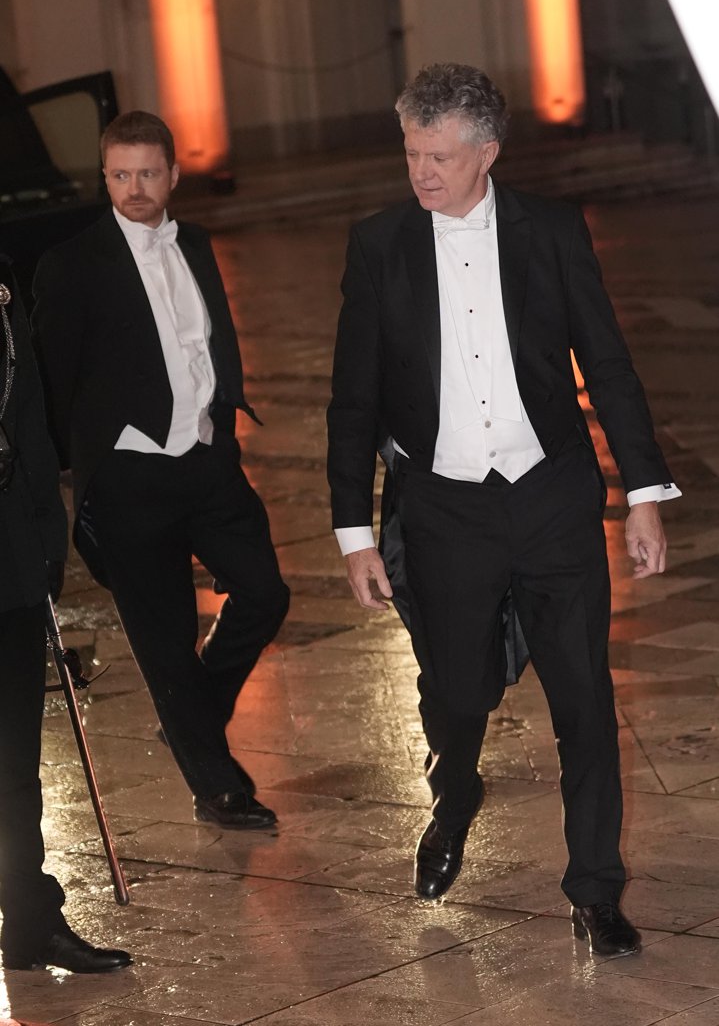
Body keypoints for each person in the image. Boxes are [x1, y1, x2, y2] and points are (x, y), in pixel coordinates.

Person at [327, 63, 681, 957]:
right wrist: (353, 533)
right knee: (456, 691)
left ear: (487, 152)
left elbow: (607, 363)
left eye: (438, 156)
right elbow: (352, 402)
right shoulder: (377, 245)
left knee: (585, 703)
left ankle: (595, 888)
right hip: (443, 512)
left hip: (552, 500)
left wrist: (644, 495)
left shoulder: (552, 232)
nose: (420, 173)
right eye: (411, 153)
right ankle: (453, 795)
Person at [32, 111, 289, 831]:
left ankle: (192, 717)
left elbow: (207, 347)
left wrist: (224, 429)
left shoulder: (196, 244)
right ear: (104, 175)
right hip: (129, 478)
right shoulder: (71, 265)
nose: (134, 189)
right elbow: (54, 382)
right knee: (166, 636)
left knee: (265, 592)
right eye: (119, 175)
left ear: (173, 174)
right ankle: (217, 786)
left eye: (148, 173)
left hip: (207, 461)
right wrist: (73, 485)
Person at [0, 256, 131, 972]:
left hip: (10, 561)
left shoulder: (3, 285)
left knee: (14, 763)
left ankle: (28, 921)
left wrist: (48, 539)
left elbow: (30, 421)